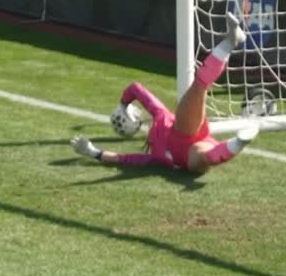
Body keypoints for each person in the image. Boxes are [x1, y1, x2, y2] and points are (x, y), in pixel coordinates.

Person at [72, 13, 259, 175]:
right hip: (191, 154)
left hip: (185, 128)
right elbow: (125, 159)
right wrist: (93, 152)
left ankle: (229, 42)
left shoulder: (160, 116)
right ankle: (240, 142)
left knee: (198, 87)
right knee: (199, 159)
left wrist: (123, 105)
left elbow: (135, 88)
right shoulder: (153, 157)